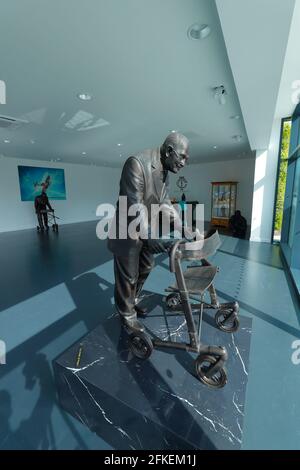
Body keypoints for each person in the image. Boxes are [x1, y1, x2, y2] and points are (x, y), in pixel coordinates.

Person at [108, 132, 190, 334]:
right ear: (170, 151)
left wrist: (181, 227)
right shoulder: (136, 163)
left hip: (144, 227)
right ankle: (126, 314)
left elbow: (163, 203)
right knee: (128, 275)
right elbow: (134, 205)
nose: (184, 163)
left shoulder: (164, 172)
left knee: (146, 265)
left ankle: (131, 300)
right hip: (126, 229)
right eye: (183, 157)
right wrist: (149, 236)